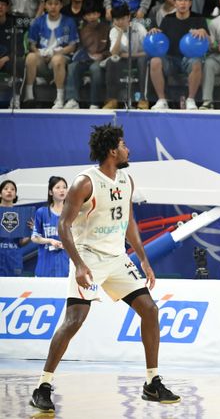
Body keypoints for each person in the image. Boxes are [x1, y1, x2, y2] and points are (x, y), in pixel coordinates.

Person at [28, 124, 180, 414]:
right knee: (74, 320)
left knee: (150, 310)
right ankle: (42, 387)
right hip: (89, 257)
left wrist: (143, 259)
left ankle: (152, 383)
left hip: (117, 258)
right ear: (112, 151)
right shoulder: (85, 182)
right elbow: (63, 226)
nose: (128, 150)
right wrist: (79, 264)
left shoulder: (126, 179)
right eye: (123, 145)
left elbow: (129, 222)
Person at [148, 0, 209, 110]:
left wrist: (203, 32)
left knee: (196, 62)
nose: (183, 3)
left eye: (186, 0)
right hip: (170, 59)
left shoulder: (199, 19)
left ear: (190, 3)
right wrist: (155, 32)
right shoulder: (167, 19)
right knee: (155, 61)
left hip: (190, 58)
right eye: (180, 0)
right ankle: (162, 100)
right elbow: (161, 40)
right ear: (175, 2)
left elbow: (209, 42)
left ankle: (190, 100)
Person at [23, 0, 79, 109]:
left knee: (57, 59)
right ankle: (29, 95)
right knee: (30, 57)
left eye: (56, 4)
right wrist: (39, 53)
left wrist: (56, 53)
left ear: (61, 5)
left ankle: (59, 98)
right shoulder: (38, 22)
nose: (53, 7)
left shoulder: (69, 21)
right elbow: (32, 45)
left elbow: (72, 46)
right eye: (50, 4)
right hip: (42, 58)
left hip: (62, 58)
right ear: (45, 5)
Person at [63, 0, 110, 109]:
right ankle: (72, 99)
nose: (92, 17)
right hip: (84, 59)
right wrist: (85, 56)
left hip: (101, 60)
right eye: (88, 14)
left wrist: (103, 55)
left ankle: (95, 103)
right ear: (84, 16)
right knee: (72, 66)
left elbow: (110, 49)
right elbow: (78, 48)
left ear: (99, 14)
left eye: (94, 13)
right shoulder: (80, 29)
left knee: (95, 68)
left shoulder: (107, 28)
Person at [103, 3, 149, 109]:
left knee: (143, 60)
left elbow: (148, 51)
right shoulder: (114, 31)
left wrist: (127, 55)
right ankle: (112, 100)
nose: (120, 22)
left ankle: (143, 99)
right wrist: (120, 33)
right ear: (113, 21)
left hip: (139, 59)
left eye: (123, 18)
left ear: (128, 17)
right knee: (111, 61)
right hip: (123, 62)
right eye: (117, 19)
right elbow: (114, 53)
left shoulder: (139, 28)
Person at [31, 176, 69, 278]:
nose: (62, 190)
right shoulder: (41, 212)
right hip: (45, 266)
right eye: (58, 187)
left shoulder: (72, 213)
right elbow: (34, 237)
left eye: (64, 187)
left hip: (66, 266)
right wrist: (50, 241)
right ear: (50, 192)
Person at [0, 180, 31, 276]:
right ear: (0, 194)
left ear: (15, 195)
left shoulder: (21, 214)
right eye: (6, 189)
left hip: (14, 258)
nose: (9, 191)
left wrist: (31, 233)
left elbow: (21, 243)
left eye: (12, 189)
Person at [0, 0, 25, 108]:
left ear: (7, 7)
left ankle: (16, 98)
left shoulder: (14, 23)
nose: (0, 7)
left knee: (18, 62)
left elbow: (19, 49)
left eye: (3, 5)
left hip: (7, 61)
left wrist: (5, 58)